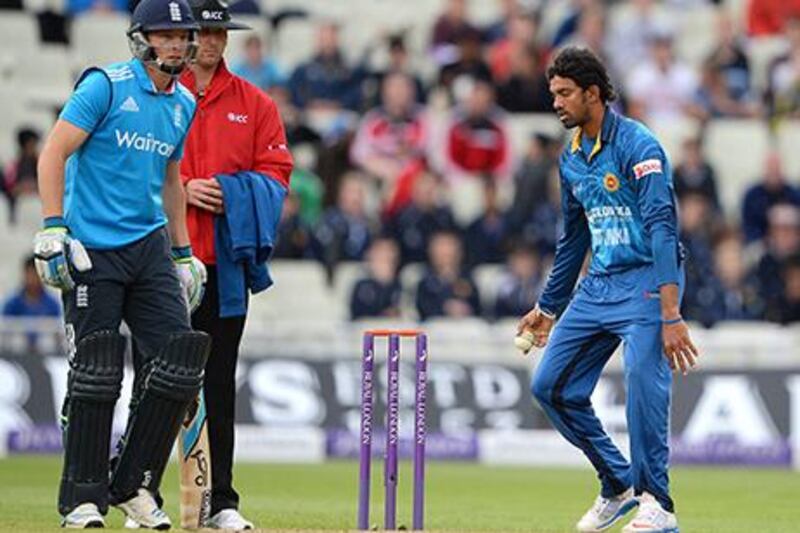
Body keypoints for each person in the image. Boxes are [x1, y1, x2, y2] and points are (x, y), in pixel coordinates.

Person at [32, 0, 208, 528]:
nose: (176, 44)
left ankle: (134, 485)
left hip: (148, 245)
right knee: (97, 370)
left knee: (179, 363)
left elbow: (171, 180)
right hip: (92, 246)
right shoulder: (105, 86)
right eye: (164, 35)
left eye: (183, 35)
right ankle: (83, 498)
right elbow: (53, 152)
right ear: (142, 38)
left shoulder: (183, 103)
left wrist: (182, 253)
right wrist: (52, 226)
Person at [518, 47, 698, 533]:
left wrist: (671, 311)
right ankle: (617, 483)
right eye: (553, 93)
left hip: (646, 281)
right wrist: (548, 307)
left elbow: (663, 227)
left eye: (564, 93)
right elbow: (573, 238)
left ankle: (657, 504)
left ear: (593, 94)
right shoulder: (571, 157)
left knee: (642, 381)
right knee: (549, 386)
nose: (555, 103)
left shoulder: (640, 147)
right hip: (599, 284)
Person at [178, 0, 294, 528]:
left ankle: (222, 502)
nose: (212, 40)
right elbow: (129, 170)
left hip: (223, 267)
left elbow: (276, 174)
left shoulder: (255, 102)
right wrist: (182, 191)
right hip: (164, 264)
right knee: (161, 383)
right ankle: (142, 493)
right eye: (203, 31)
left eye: (219, 31)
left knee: (219, 383)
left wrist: (230, 191)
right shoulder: (159, 95)